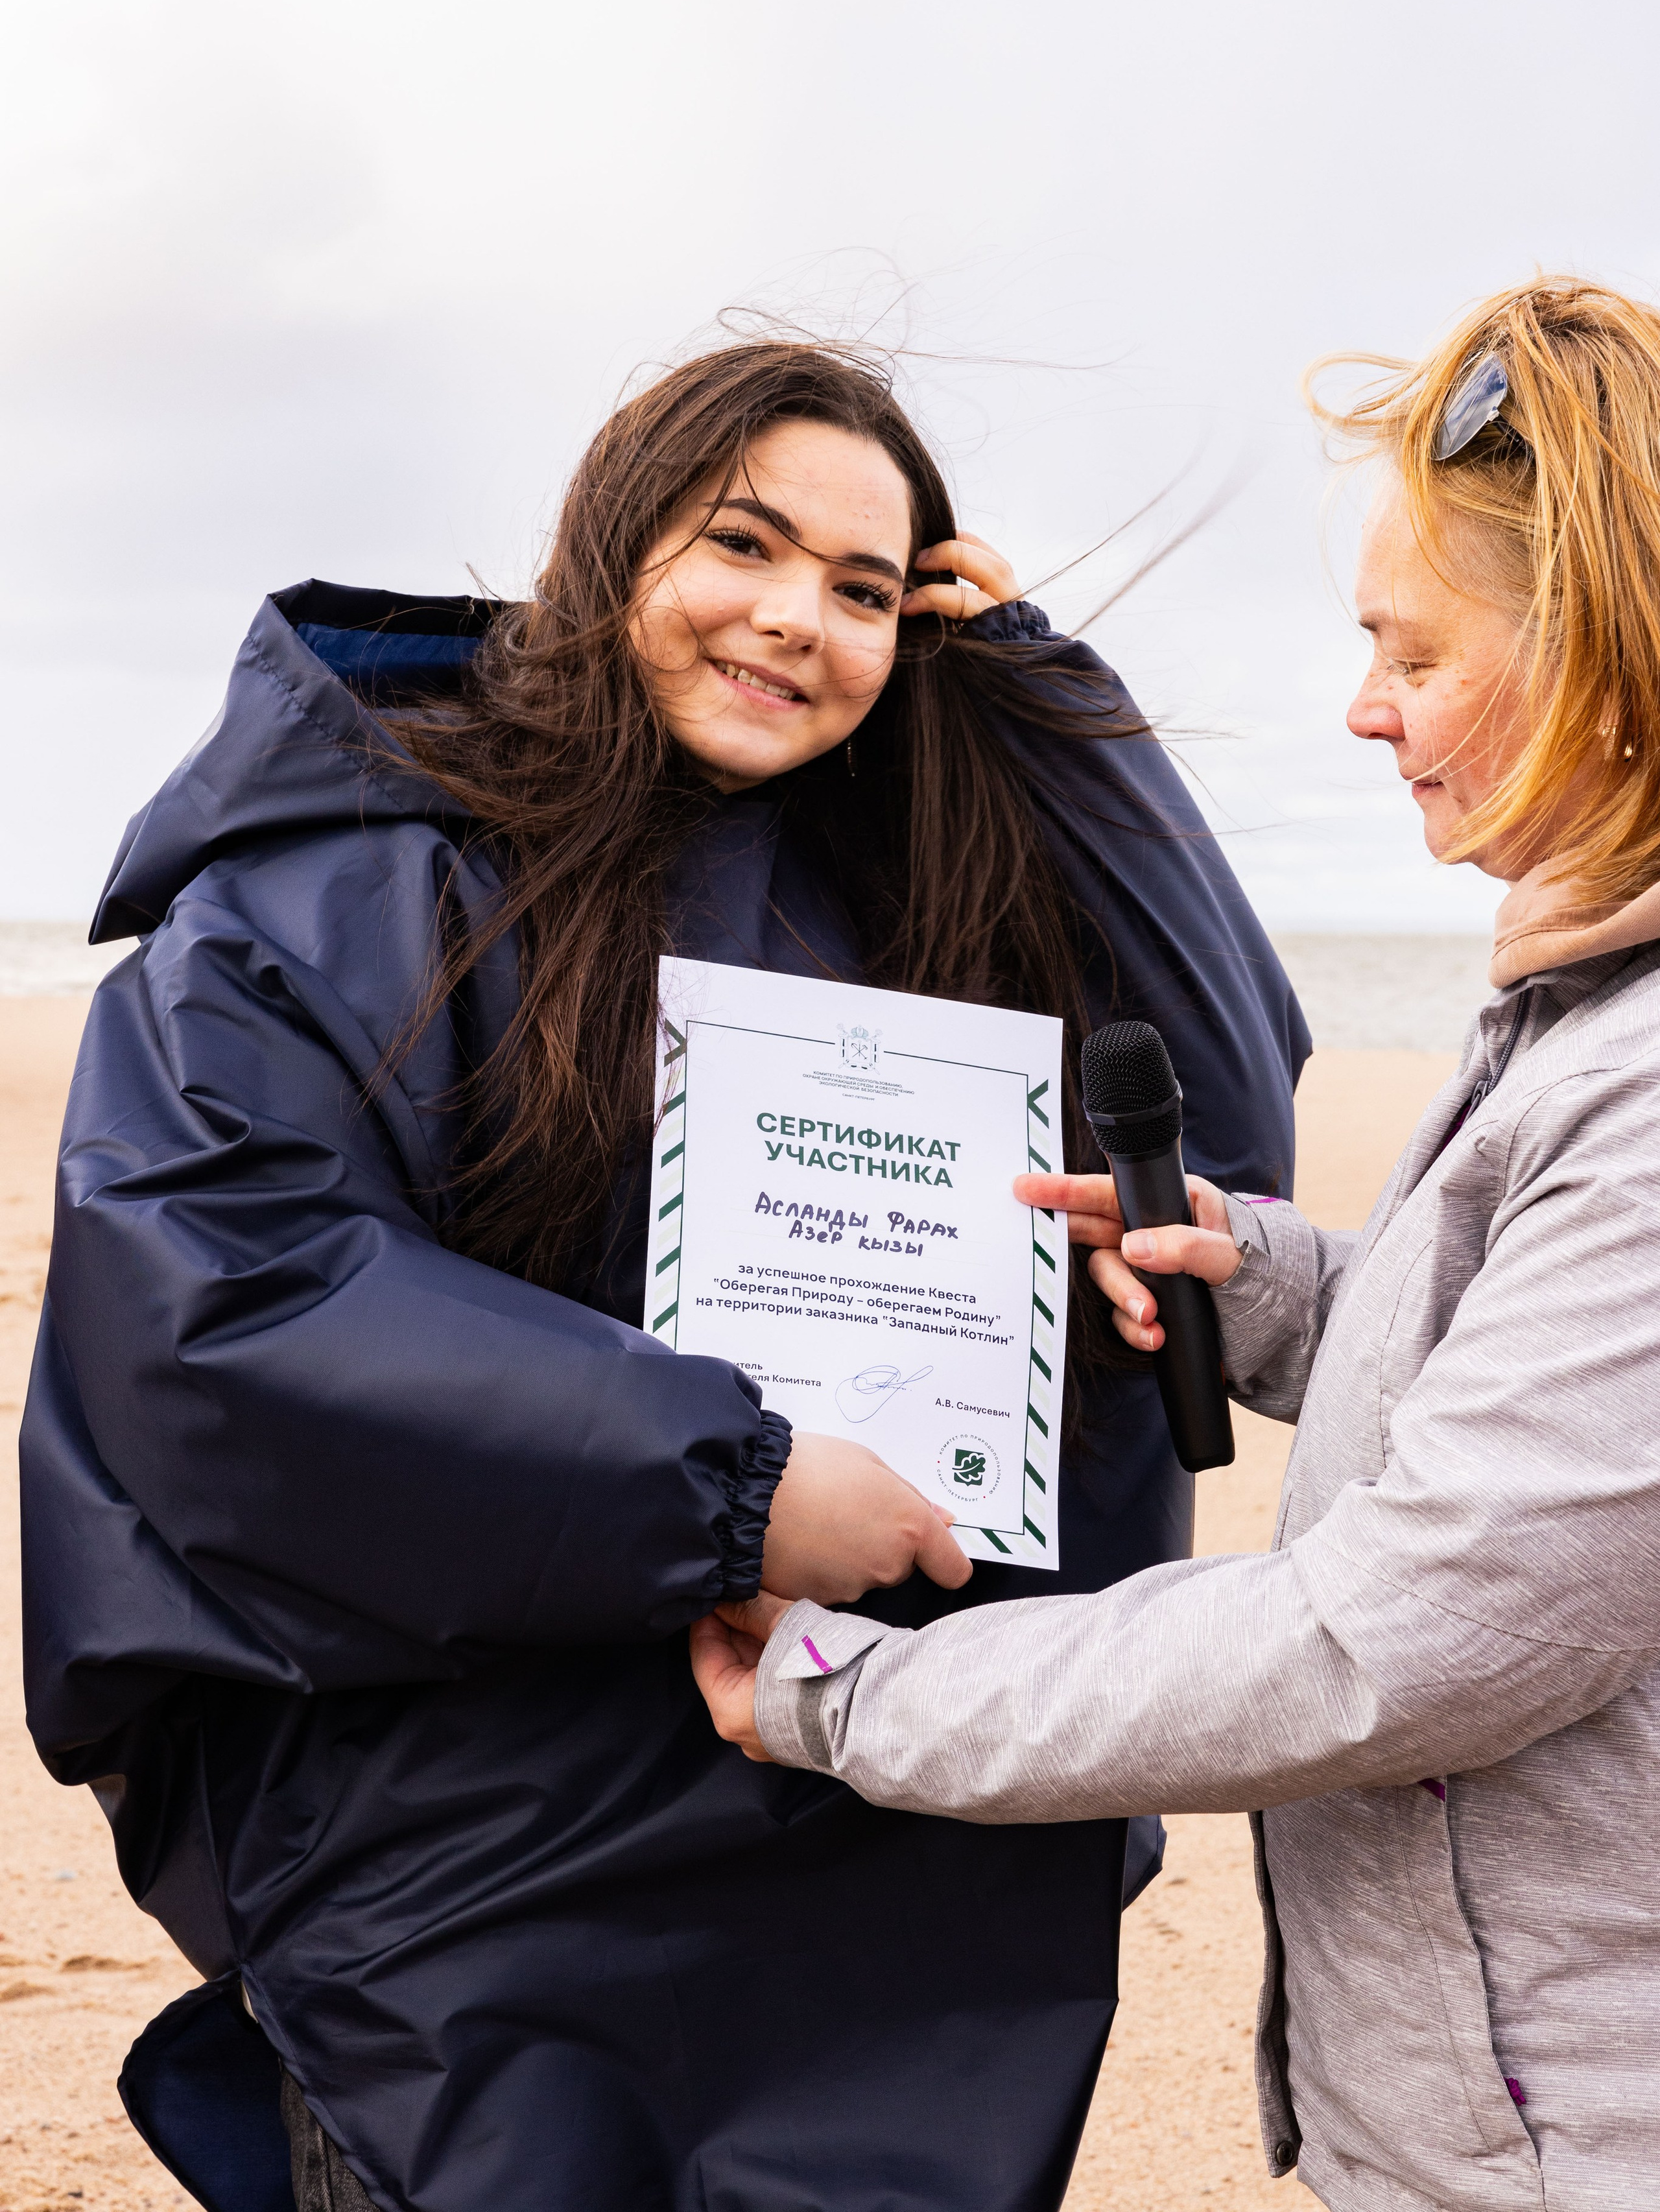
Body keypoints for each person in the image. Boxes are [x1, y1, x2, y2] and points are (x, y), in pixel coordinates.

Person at [23, 339, 1305, 2212]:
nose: (799, 621)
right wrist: (734, 1487)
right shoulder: (339, 891)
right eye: (744, 547)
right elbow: (227, 1301)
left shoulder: (923, 912)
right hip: (477, 1881)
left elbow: (1208, 1125)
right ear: (617, 546)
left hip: (893, 1884)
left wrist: (1039, 693)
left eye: (870, 592)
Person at [695, 279, 1660, 2212]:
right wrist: (1286, 1284)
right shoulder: (1575, 1020)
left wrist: (847, 1699)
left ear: (1605, 658)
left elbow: (1387, 1645)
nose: (1365, 708)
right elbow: (1532, 1358)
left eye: (1416, 653)